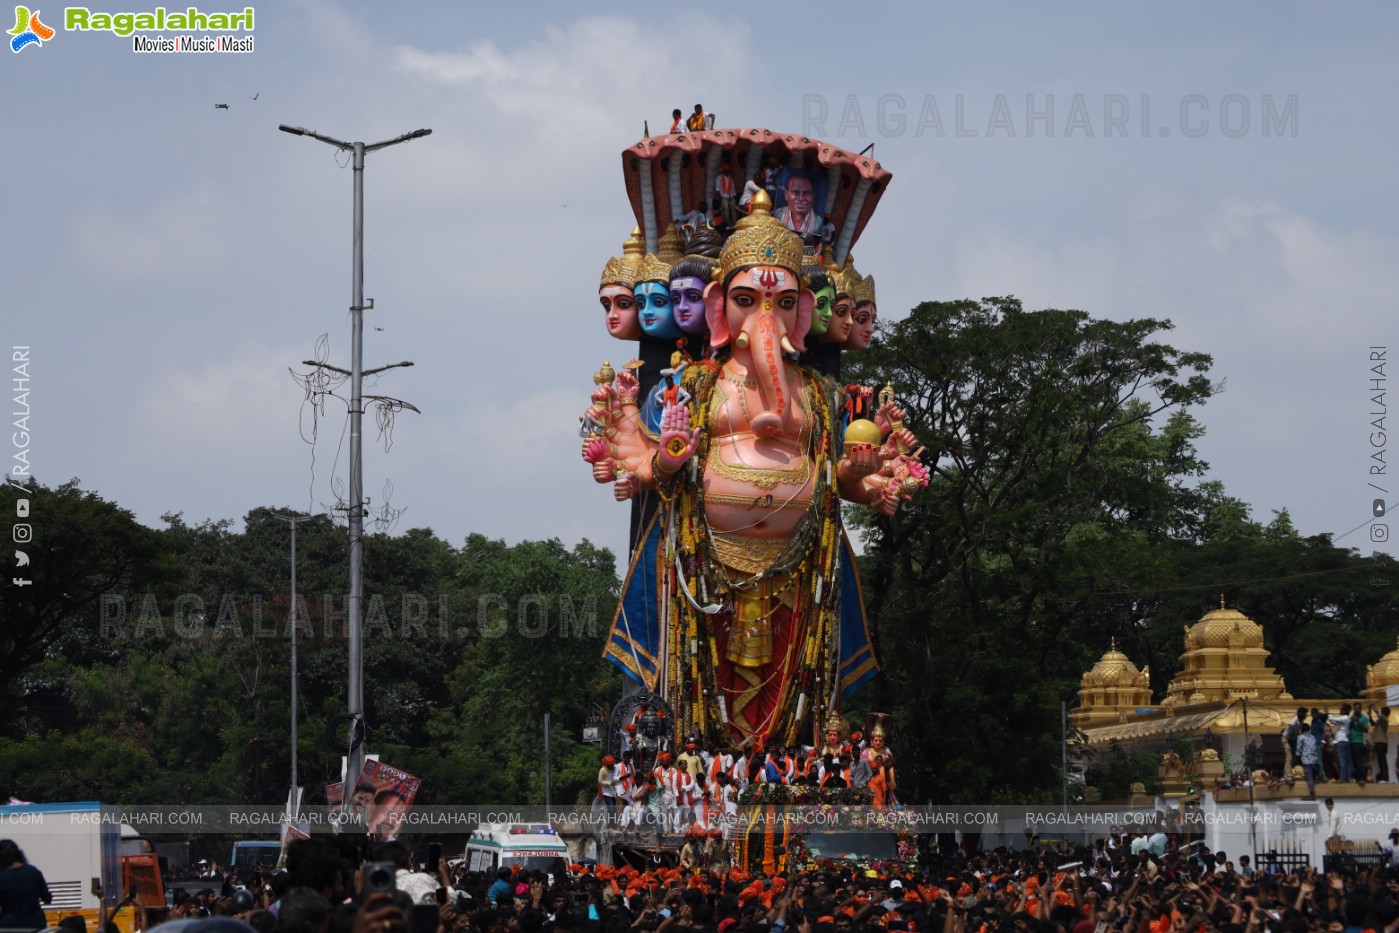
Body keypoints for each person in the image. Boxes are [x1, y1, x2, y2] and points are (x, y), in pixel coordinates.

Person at [0, 840, 52, 932]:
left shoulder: (2, 876)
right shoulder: (34, 872)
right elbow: (47, 899)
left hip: (10, 927)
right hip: (35, 925)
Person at [774, 172, 820, 238]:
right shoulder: (776, 215)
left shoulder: (819, 224)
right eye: (795, 193)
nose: (801, 198)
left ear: (813, 197)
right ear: (786, 195)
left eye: (806, 193)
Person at [1297, 717, 1320, 799]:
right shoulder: (1312, 737)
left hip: (1306, 760)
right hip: (1315, 759)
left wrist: (1298, 756)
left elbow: (1299, 749)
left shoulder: (1301, 737)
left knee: (1309, 777)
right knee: (1313, 777)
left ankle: (1312, 795)